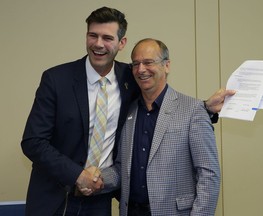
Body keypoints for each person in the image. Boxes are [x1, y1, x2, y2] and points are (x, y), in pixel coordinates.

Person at [21, 7, 233, 216]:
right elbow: (33, 141)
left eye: (107, 37)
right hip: (56, 198)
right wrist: (77, 175)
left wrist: (203, 107)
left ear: (121, 43)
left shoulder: (130, 78)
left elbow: (166, 103)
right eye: (92, 35)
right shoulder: (57, 79)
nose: (98, 44)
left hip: (101, 199)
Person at [101, 38, 221, 216]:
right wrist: (97, 179)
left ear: (167, 65)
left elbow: (209, 174)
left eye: (148, 62)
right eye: (135, 64)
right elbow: (121, 168)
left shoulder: (193, 110)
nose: (141, 70)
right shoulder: (127, 112)